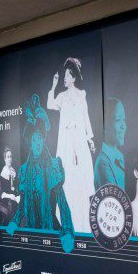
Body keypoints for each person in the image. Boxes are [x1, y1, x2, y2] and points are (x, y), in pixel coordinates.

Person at [6, 95, 75, 253]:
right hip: (31, 233)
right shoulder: (24, 170)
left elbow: (63, 205)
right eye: (33, 139)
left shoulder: (54, 166)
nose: (36, 143)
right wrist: (14, 222)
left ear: (43, 139)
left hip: (52, 233)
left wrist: (68, 232)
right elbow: (23, 204)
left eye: (39, 138)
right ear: (29, 141)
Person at [47, 57, 94, 232]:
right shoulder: (61, 97)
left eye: (67, 75)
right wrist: (53, 86)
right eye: (64, 75)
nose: (64, 78)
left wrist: (90, 139)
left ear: (73, 77)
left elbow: (86, 117)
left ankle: (83, 226)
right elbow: (50, 104)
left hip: (80, 145)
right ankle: (69, 225)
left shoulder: (82, 95)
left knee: (82, 182)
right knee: (67, 183)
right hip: (66, 146)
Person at [94, 98, 127, 190]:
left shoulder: (120, 157)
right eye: (118, 120)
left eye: (124, 119)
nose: (123, 126)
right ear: (106, 126)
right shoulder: (103, 164)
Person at [0, 147, 20, 224]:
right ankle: (10, 230)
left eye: (11, 157)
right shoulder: (3, 173)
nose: (10, 159)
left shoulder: (13, 171)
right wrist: (11, 196)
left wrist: (18, 196)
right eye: (8, 157)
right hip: (5, 201)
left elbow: (14, 188)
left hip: (12, 199)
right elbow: (1, 194)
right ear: (5, 159)